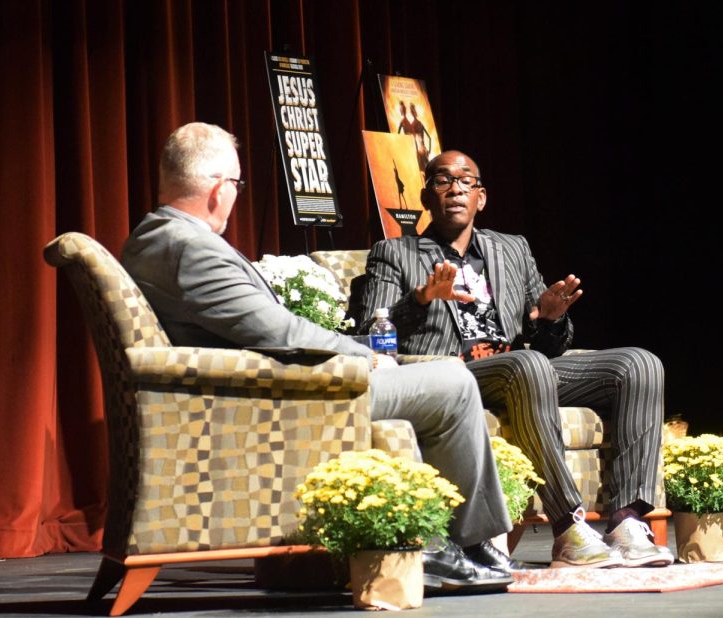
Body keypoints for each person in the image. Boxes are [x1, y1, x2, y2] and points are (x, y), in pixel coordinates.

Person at [120, 123, 515, 593]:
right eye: (238, 185)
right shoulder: (189, 248)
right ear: (217, 190)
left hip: (260, 391)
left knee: (440, 381)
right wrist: (364, 354)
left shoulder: (153, 236)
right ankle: (458, 546)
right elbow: (278, 331)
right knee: (451, 383)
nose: (236, 196)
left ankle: (447, 545)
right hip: (281, 403)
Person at [361, 150, 674, 569]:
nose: (455, 189)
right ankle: (570, 526)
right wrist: (420, 299)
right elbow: (368, 329)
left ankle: (627, 521)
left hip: (521, 368)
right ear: (425, 195)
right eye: (442, 180)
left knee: (639, 364)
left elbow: (546, 345)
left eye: (466, 181)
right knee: (527, 366)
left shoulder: (511, 249)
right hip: (452, 372)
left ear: (481, 197)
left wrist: (547, 319)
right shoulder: (394, 253)